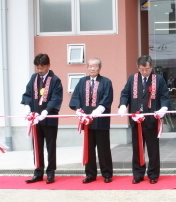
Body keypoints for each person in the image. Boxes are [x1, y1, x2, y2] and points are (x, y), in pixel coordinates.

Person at [118, 55, 170, 184]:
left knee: (153, 149)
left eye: (147, 69)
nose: (144, 72)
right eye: (142, 69)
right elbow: (125, 93)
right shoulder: (132, 78)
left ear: (151, 67)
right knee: (137, 148)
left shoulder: (158, 79)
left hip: (151, 118)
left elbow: (165, 96)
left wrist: (163, 108)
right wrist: (123, 105)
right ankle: (138, 174)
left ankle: (153, 174)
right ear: (138, 67)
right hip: (136, 119)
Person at [69, 58, 114, 184]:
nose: (93, 69)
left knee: (103, 148)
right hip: (87, 122)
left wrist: (99, 109)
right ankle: (90, 174)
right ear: (87, 67)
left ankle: (107, 173)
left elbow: (107, 97)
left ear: (99, 68)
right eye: (90, 66)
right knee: (88, 148)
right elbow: (76, 96)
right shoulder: (82, 81)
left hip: (101, 120)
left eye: (95, 66)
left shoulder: (106, 82)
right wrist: (78, 110)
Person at [21, 53, 63, 184]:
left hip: (48, 118)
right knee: (37, 146)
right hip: (35, 119)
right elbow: (27, 94)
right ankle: (38, 172)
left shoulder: (55, 80)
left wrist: (46, 111)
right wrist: (27, 106)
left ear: (48, 65)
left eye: (42, 67)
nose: (40, 70)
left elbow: (56, 98)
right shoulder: (34, 78)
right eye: (38, 67)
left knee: (50, 147)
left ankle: (51, 173)